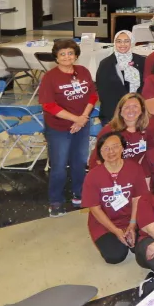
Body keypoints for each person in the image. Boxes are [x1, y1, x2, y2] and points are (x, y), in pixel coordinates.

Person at [41, 39, 99, 216]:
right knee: (58, 165)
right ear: (56, 58)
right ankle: (55, 201)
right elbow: (49, 105)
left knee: (80, 162)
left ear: (76, 56)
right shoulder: (50, 77)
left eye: (70, 53)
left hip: (82, 124)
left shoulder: (83, 71)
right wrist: (77, 119)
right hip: (58, 128)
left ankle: (79, 194)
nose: (67, 57)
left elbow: (92, 96)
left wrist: (82, 119)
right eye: (62, 54)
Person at [84, 132, 146, 264]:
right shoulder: (93, 175)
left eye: (115, 146)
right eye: (105, 148)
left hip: (133, 218)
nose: (111, 151)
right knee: (115, 256)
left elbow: (137, 198)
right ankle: (117, 237)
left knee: (143, 251)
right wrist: (116, 231)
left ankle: (131, 233)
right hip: (104, 223)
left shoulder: (135, 168)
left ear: (123, 148)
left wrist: (132, 224)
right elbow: (95, 209)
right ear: (100, 152)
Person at [89, 93, 152, 167]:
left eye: (135, 106)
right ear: (120, 111)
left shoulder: (149, 129)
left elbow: (151, 155)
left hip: (136, 173)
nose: (131, 110)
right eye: (126, 107)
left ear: (142, 109)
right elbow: (96, 159)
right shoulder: (109, 131)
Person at [96, 30, 145, 124]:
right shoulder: (106, 63)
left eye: (126, 41)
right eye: (119, 41)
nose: (122, 44)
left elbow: (145, 86)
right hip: (114, 113)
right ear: (114, 42)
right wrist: (119, 112)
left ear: (132, 42)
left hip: (137, 111)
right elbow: (103, 93)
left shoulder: (141, 61)